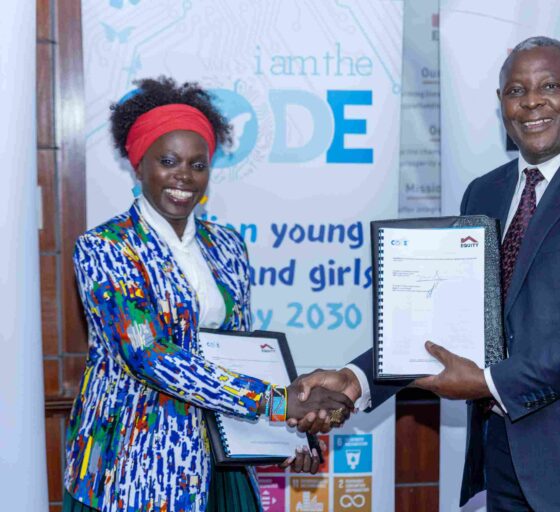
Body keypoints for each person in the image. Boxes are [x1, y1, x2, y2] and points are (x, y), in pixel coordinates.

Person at [291, 37, 560, 511]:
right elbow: (448, 317)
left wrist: (490, 382)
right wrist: (357, 379)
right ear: (501, 104)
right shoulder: (485, 192)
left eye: (550, 86)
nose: (532, 101)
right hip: (506, 457)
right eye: (516, 90)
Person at [63, 77, 352, 512]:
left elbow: (244, 351)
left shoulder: (227, 245)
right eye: (168, 160)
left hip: (221, 460)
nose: (184, 175)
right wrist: (275, 402)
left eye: (198, 165)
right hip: (133, 471)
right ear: (138, 164)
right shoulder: (106, 248)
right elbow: (151, 357)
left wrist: (291, 432)